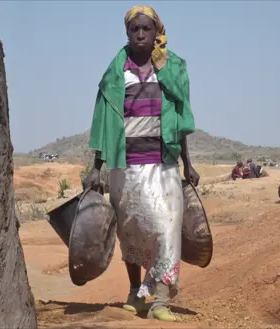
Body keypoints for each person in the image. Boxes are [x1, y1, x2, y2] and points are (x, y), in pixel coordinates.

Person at [83, 5, 200, 322]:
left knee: (166, 227)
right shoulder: (115, 72)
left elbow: (180, 119)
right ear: (127, 33)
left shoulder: (172, 68)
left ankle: (160, 297)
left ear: (156, 32)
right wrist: (97, 166)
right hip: (126, 166)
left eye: (146, 29)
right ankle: (136, 293)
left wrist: (188, 163)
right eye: (134, 29)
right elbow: (103, 122)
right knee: (130, 230)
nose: (139, 34)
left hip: (162, 164)